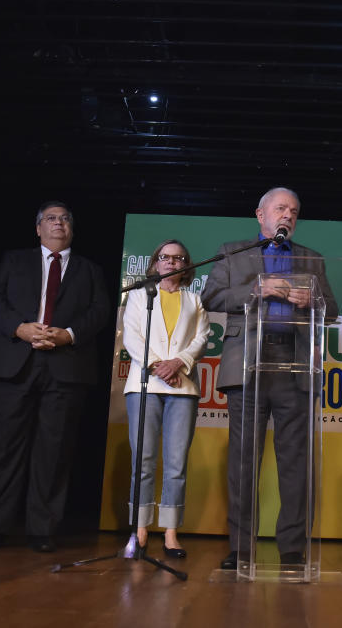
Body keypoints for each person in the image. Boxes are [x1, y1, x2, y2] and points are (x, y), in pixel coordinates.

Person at [202, 187, 338, 569]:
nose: (288, 215)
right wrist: (256, 289)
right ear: (260, 214)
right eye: (280, 208)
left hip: (294, 364)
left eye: (294, 210)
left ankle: (292, 548)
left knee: (295, 462)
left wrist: (313, 301)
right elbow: (210, 297)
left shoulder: (310, 258)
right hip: (247, 364)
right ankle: (241, 546)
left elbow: (331, 309)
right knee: (243, 462)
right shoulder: (234, 251)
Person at [0, 201, 110, 553]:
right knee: (4, 449)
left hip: (66, 367)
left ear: (72, 229)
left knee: (54, 451)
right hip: (14, 363)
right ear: (38, 229)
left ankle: (41, 529)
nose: (58, 223)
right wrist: (19, 328)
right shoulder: (14, 260)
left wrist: (68, 334)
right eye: (51, 218)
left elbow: (100, 311)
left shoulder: (90, 270)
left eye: (65, 218)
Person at [122, 239, 211, 558]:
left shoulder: (195, 299)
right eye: (166, 258)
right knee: (143, 460)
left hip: (183, 386)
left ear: (186, 264)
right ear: (155, 263)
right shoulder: (138, 295)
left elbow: (202, 338)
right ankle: (140, 530)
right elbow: (132, 335)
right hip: (145, 384)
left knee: (175, 463)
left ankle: (171, 533)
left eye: (179, 258)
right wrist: (158, 365)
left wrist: (178, 363)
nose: (172, 263)